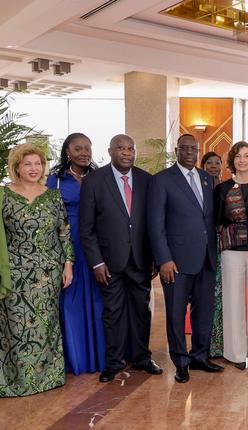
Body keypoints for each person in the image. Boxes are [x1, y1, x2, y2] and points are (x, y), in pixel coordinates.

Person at [79, 134, 162, 383]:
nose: (126, 152)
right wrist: (97, 262)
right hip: (108, 262)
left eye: (130, 148)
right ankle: (113, 362)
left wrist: (155, 259)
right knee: (112, 312)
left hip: (140, 260)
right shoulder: (94, 181)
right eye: (121, 148)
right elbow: (86, 227)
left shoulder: (147, 180)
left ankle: (142, 357)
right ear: (110, 151)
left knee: (141, 311)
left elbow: (153, 223)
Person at [148, 134, 223, 383]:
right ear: (177, 150)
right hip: (176, 261)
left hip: (206, 257)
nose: (190, 151)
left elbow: (208, 218)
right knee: (176, 313)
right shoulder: (162, 180)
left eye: (194, 148)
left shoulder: (206, 178)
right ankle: (180, 361)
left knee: (204, 312)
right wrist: (164, 259)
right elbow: (155, 223)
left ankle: (200, 356)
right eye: (185, 148)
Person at [0, 143, 74, 397]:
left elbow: (64, 232)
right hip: (14, 273)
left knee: (46, 324)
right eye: (28, 163)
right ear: (17, 167)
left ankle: (47, 377)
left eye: (38, 164)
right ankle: (16, 381)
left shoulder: (52, 195)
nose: (34, 168)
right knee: (16, 326)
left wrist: (68, 265)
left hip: (48, 273)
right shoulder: (4, 195)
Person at [45, 133, 104, 376]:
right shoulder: (55, 181)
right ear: (67, 152)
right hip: (67, 248)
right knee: (69, 304)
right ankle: (75, 359)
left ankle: (101, 358)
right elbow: (48, 218)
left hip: (97, 248)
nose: (83, 152)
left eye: (87, 148)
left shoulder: (100, 178)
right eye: (77, 148)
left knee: (99, 303)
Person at [214, 141, 248, 370]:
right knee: (233, 301)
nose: (242, 160)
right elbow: (216, 222)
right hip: (231, 251)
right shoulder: (222, 188)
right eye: (238, 156)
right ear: (232, 160)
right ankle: (235, 354)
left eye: (247, 155)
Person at [201, 152, 224, 358]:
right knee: (209, 296)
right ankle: (208, 344)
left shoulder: (227, 188)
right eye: (209, 163)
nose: (214, 166)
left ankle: (223, 344)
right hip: (204, 246)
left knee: (224, 297)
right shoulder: (201, 186)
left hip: (224, 246)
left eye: (217, 163)